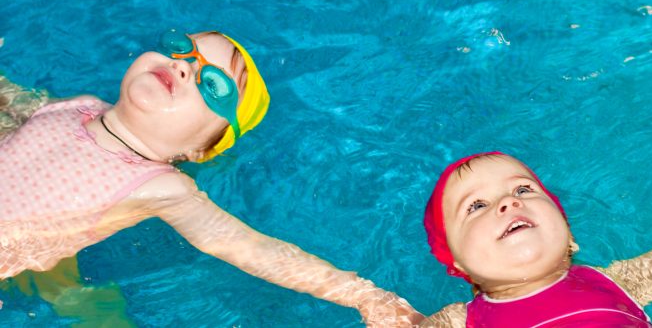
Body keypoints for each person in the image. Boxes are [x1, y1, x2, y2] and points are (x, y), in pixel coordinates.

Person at [0, 30, 421, 326]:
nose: (183, 68)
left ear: (201, 148)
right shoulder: (75, 106)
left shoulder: (161, 186)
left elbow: (251, 249)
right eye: (182, 50)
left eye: (213, 85)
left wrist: (366, 296)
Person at [420, 130, 652, 327]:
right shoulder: (460, 321)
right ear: (456, 262)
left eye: (523, 189)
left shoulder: (621, 281)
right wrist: (361, 292)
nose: (509, 202)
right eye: (477, 206)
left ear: (568, 234)